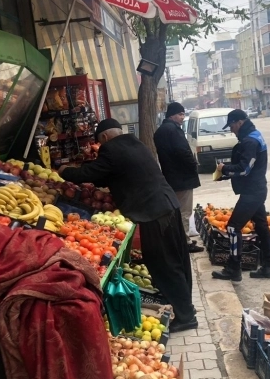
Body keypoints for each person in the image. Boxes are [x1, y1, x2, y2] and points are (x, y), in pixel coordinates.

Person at [59, 119, 198, 333]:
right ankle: (187, 308)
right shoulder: (135, 144)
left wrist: (66, 171)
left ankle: (186, 317)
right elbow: (113, 174)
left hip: (154, 213)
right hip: (168, 205)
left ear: (104, 138)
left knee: (164, 264)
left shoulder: (111, 150)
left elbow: (90, 174)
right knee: (177, 259)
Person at [212, 109, 270, 282]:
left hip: (252, 192)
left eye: (232, 125)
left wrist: (224, 168)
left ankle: (234, 268)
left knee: (233, 228)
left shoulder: (250, 141)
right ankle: (269, 267)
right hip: (256, 189)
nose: (231, 130)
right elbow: (248, 167)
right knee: (262, 226)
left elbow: (244, 169)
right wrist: (226, 173)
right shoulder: (254, 135)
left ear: (239, 122)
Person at [153, 102, 203, 252]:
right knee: (184, 212)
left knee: (177, 211)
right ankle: (184, 242)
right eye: (181, 114)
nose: (183, 117)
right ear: (172, 115)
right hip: (182, 178)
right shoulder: (174, 130)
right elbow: (183, 152)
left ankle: (180, 240)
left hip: (171, 177)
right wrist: (194, 165)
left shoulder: (161, 131)